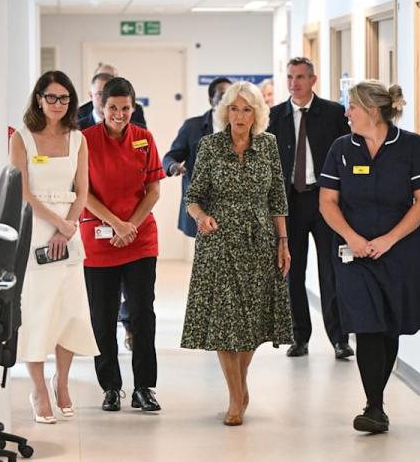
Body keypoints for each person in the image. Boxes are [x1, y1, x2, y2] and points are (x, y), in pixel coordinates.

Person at [318, 80, 420, 433]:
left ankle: (376, 399)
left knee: (388, 326)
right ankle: (374, 405)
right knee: (366, 325)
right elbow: (327, 201)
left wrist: (389, 239)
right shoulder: (342, 148)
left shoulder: (412, 146)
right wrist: (353, 237)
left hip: (399, 252)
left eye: (351, 107)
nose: (346, 114)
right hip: (353, 253)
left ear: (372, 111)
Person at [180, 81, 293, 426]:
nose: (240, 115)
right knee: (224, 322)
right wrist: (202, 217)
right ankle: (235, 396)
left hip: (260, 240)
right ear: (224, 111)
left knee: (252, 322)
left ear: (257, 113)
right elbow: (193, 196)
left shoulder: (269, 145)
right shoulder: (210, 146)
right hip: (220, 242)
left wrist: (283, 241)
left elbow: (276, 197)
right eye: (233, 108)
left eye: (246, 109)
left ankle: (241, 385)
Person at [9, 70, 99, 424]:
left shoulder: (78, 139)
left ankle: (61, 382)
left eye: (64, 98)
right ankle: (38, 389)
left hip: (69, 231)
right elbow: (23, 191)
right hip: (36, 227)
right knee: (37, 311)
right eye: (51, 97)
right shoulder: (22, 138)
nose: (57, 104)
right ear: (38, 99)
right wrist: (56, 223)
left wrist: (69, 226)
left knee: (71, 311)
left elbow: (83, 189)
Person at [80, 76, 166, 412]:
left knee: (142, 315)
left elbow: (154, 190)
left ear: (133, 107)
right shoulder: (85, 140)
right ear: (101, 107)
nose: (119, 114)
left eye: (125, 108)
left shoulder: (144, 139)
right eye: (113, 108)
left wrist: (130, 225)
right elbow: (83, 193)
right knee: (102, 318)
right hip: (100, 241)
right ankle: (111, 387)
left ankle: (144, 386)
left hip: (139, 239)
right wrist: (116, 223)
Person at [267, 56, 353, 359]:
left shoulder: (333, 114)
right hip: (290, 203)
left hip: (326, 200)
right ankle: (299, 336)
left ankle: (339, 339)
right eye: (290, 77)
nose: (294, 83)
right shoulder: (273, 117)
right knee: (293, 270)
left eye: (301, 77)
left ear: (313, 80)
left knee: (332, 271)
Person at [162, 76, 232, 237]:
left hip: (232, 205)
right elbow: (170, 156)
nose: (227, 101)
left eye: (230, 96)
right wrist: (173, 167)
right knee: (205, 257)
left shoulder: (241, 126)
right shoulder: (192, 126)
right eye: (222, 96)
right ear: (210, 100)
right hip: (201, 206)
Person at [78, 71, 147, 129]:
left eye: (110, 94)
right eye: (100, 94)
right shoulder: (77, 130)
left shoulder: (141, 132)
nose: (104, 99)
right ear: (91, 95)